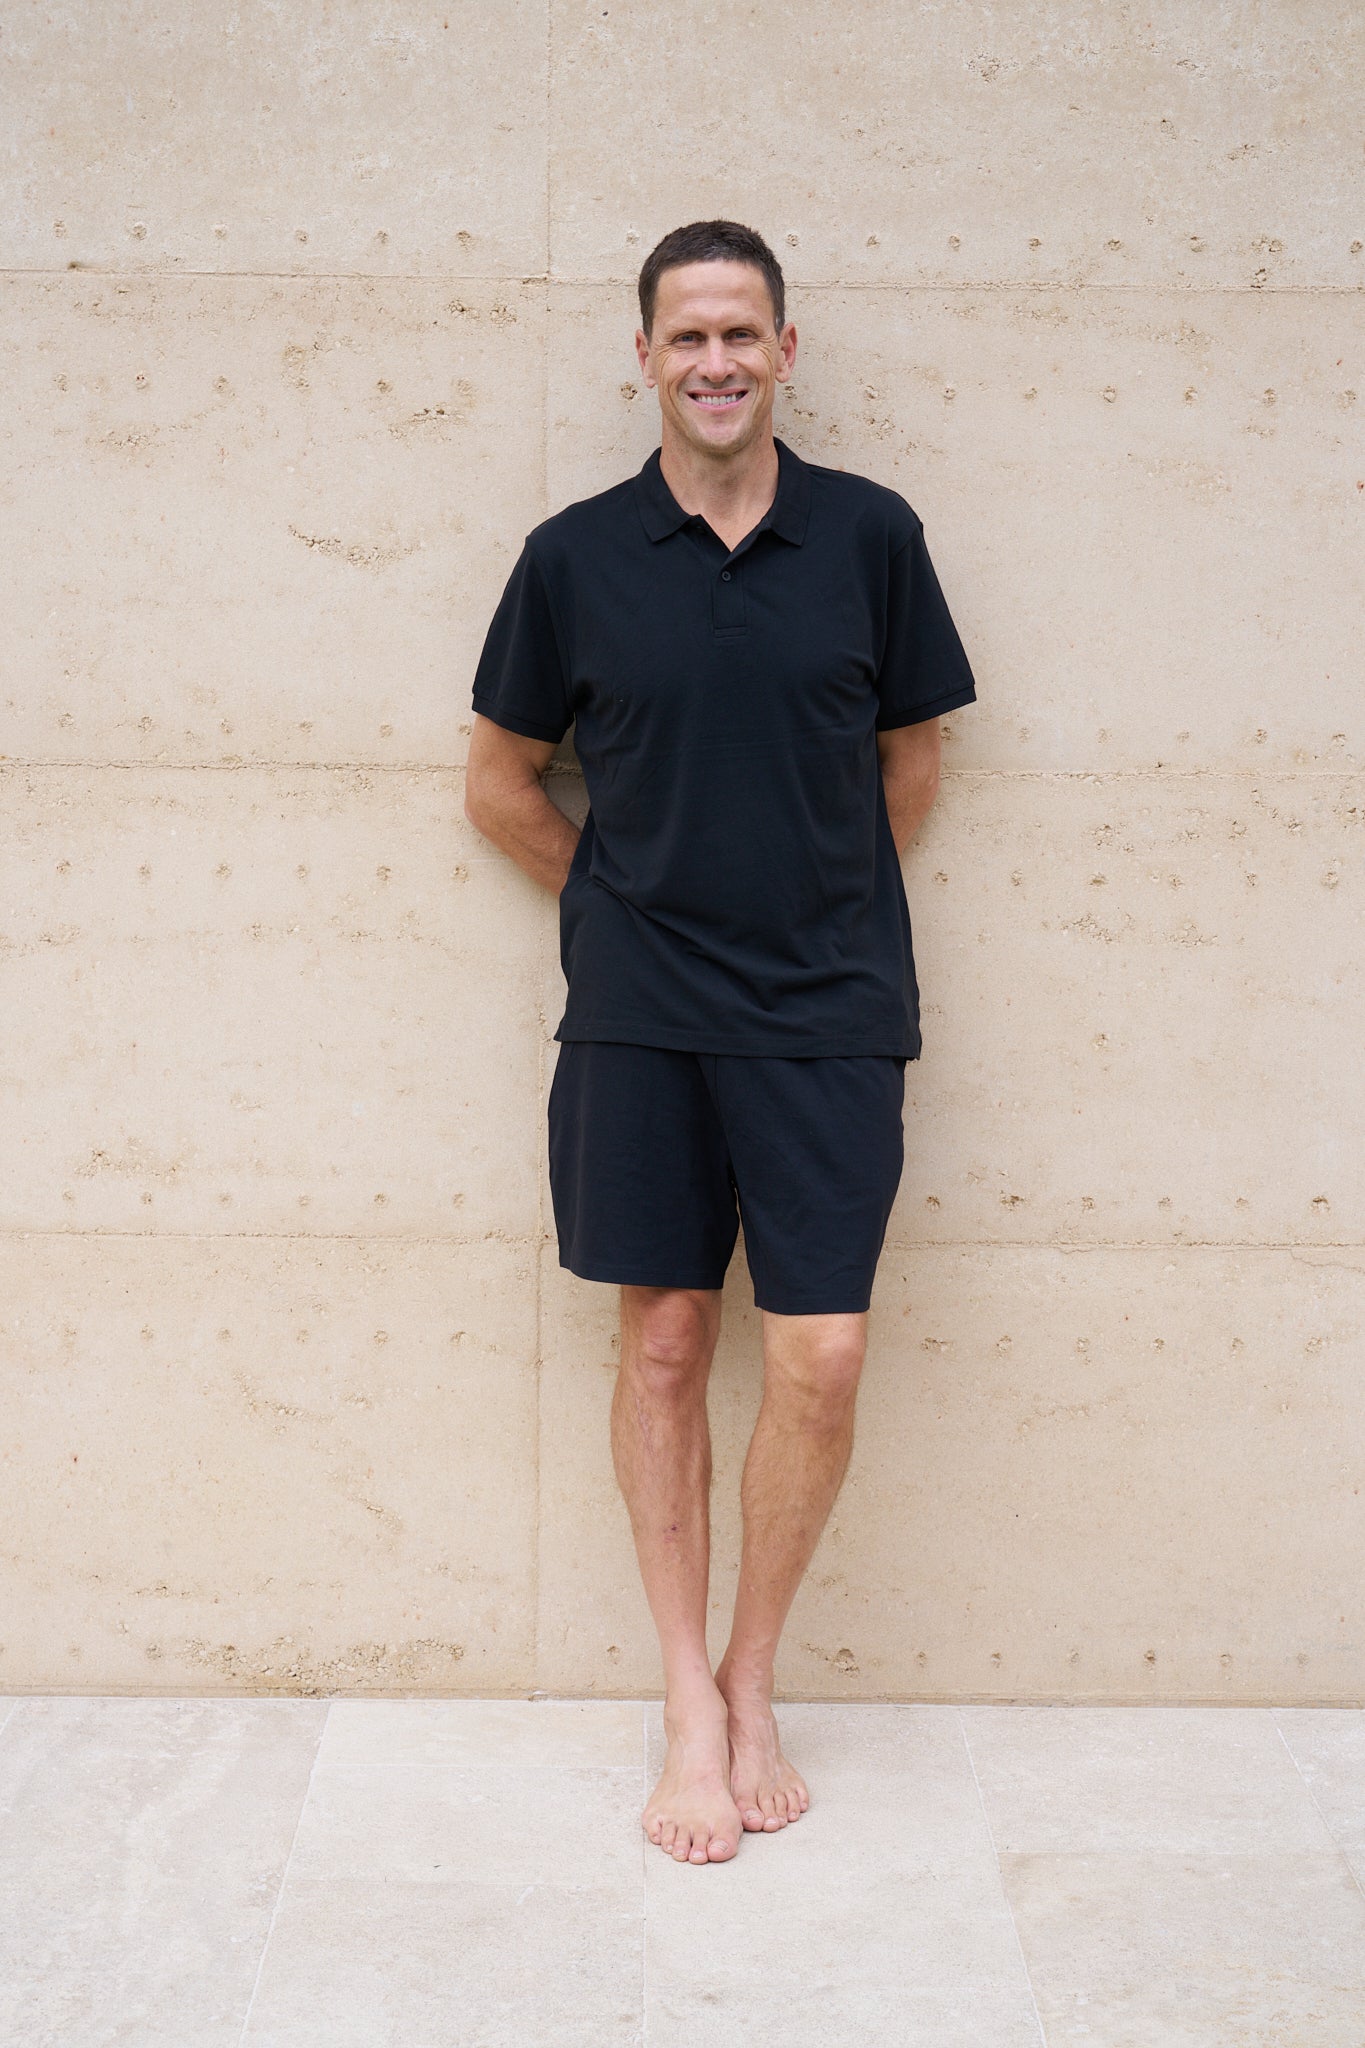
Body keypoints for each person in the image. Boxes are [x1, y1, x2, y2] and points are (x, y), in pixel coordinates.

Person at [464, 220, 977, 1865]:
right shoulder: (572, 556)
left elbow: (911, 765)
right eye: (685, 336)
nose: (714, 361)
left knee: (818, 1352)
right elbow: (499, 783)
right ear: (642, 356)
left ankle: (757, 1680)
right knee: (669, 1342)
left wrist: (805, 915)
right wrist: (629, 912)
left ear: (784, 350)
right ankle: (687, 1698)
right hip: (639, 1020)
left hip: (828, 1013)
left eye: (741, 334)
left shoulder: (870, 539)